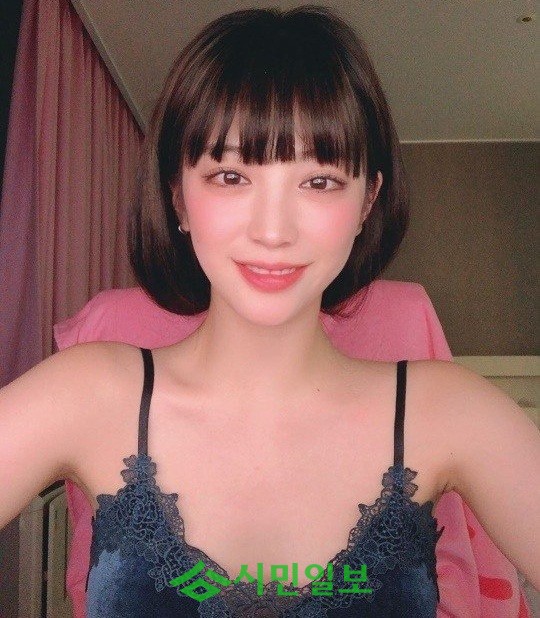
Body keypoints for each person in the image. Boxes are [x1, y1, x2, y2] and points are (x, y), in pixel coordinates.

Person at [1, 5, 539, 617]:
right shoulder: (89, 393)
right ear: (178, 195)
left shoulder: (449, 413)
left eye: (319, 182)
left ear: (368, 202)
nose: (273, 231)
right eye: (231, 176)